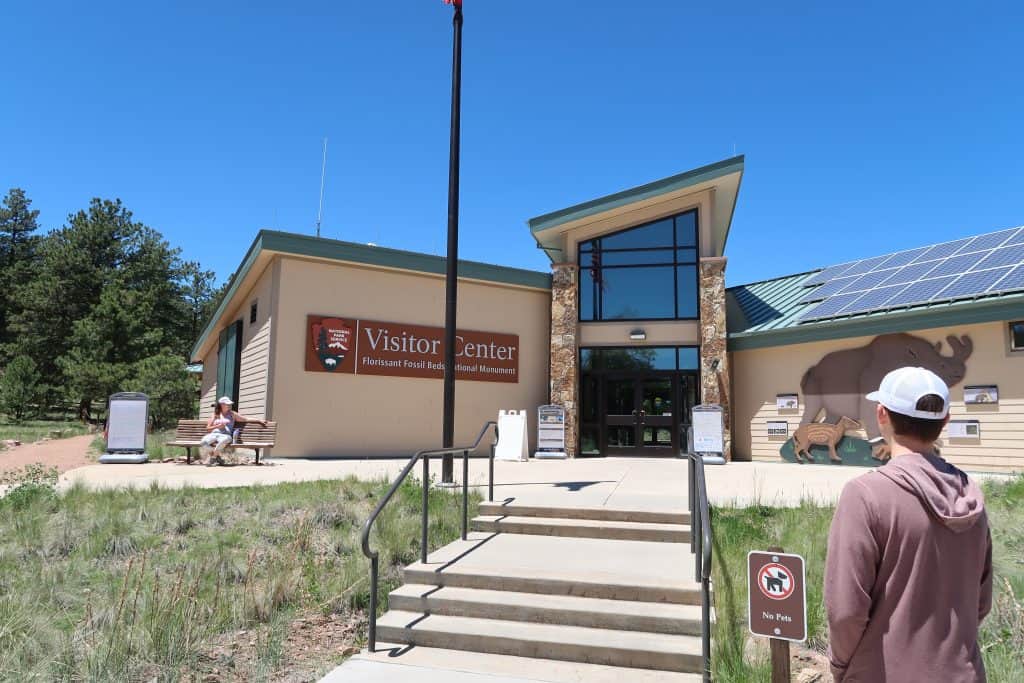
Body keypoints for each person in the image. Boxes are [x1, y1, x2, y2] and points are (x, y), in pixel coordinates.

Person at [824, 366, 993, 682]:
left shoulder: (865, 495)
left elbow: (845, 612)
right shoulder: (972, 497)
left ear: (881, 414)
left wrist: (841, 667)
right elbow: (979, 604)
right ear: (944, 422)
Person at [199, 397, 267, 466]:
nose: (229, 405)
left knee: (224, 440)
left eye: (229, 404)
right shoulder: (215, 414)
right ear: (221, 405)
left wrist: (258, 421)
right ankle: (217, 456)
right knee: (203, 442)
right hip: (214, 434)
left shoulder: (232, 414)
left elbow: (246, 419)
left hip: (225, 435)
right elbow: (208, 428)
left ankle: (213, 458)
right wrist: (218, 426)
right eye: (227, 404)